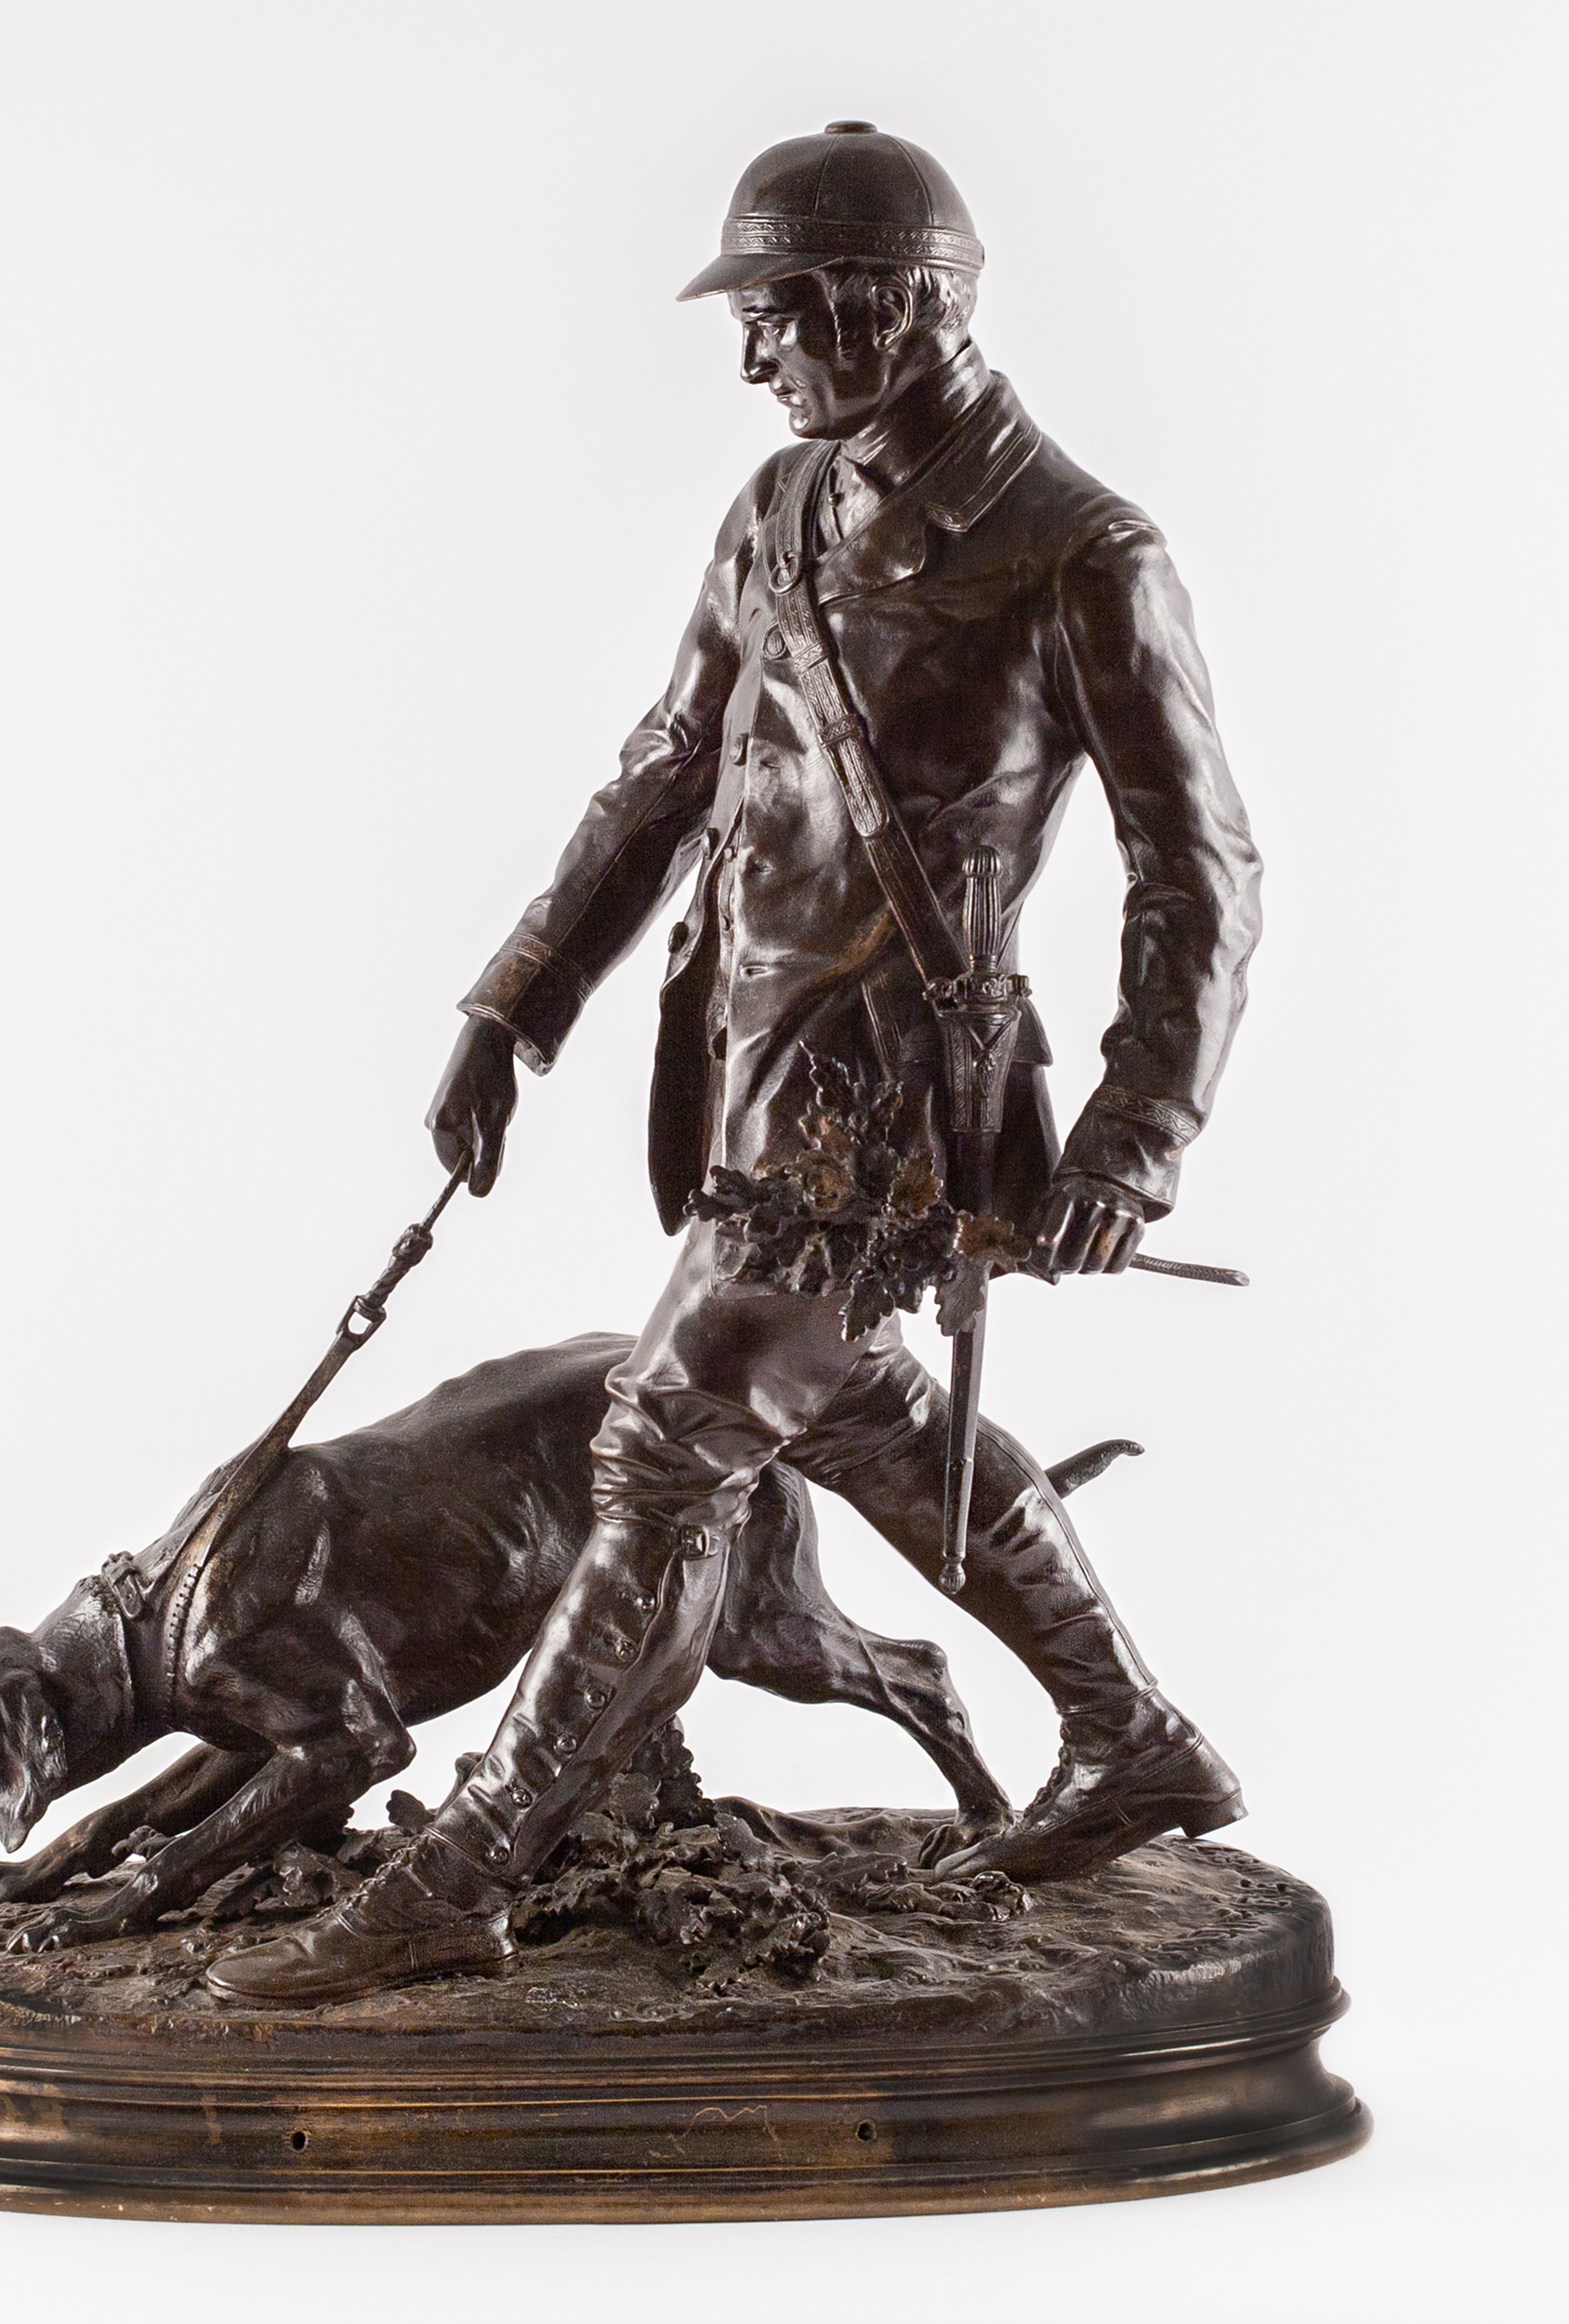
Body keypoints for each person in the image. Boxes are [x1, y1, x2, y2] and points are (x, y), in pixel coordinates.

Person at [209, 123, 1261, 2007]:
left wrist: (1134, 1134)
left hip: (890, 1115)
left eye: (777, 311)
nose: (752, 351)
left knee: (661, 1438)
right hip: (744, 1070)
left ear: (897, 307)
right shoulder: (777, 509)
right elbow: (665, 768)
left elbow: (1202, 870)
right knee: (860, 1419)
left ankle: (461, 1866)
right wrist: (516, 998)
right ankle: (1134, 1736)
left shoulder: (1079, 548)